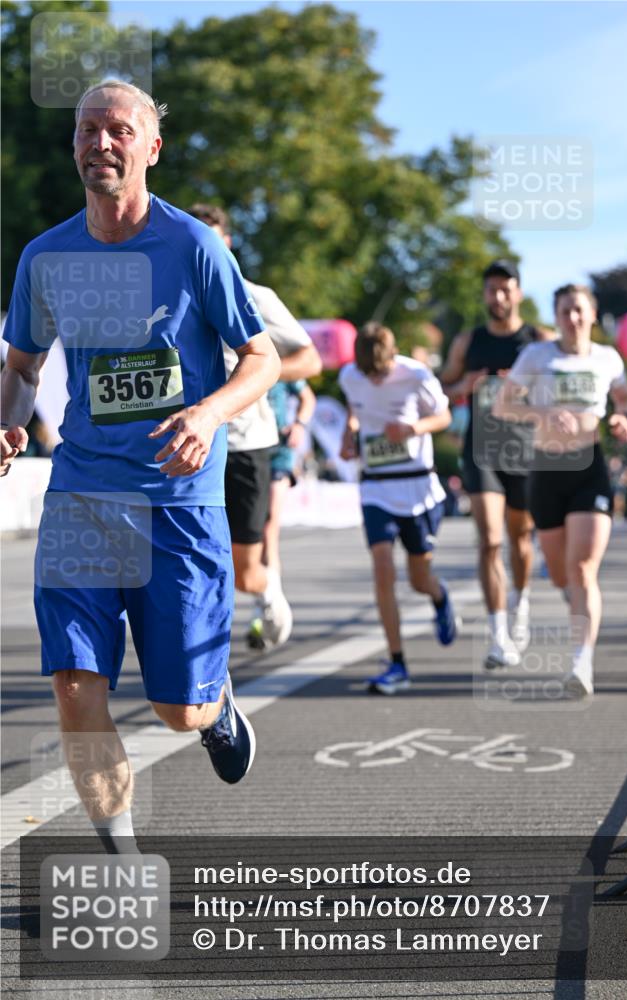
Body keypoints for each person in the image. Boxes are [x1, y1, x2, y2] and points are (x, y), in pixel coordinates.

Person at [0, 80, 281, 852]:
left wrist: (208, 412)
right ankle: (120, 854)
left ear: (151, 147)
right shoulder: (46, 256)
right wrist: (6, 425)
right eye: (88, 130)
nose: (101, 142)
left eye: (119, 129)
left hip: (177, 500)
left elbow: (262, 359)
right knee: (73, 684)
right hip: (83, 495)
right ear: (75, 148)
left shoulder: (192, 246)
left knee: (176, 713)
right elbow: (22, 370)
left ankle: (212, 706)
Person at [186, 204, 322, 650]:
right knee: (194, 560)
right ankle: (205, 666)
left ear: (225, 244)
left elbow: (310, 359)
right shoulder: (172, 295)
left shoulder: (253, 295)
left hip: (247, 442)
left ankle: (267, 589)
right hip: (194, 443)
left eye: (210, 239)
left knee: (245, 570)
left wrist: (254, 373)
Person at [494, 284, 627, 696]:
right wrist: (544, 412)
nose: (571, 318)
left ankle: (581, 664)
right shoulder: (537, 356)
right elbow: (503, 406)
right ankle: (573, 604)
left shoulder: (608, 359)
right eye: (564, 311)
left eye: (578, 310)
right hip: (546, 469)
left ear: (592, 314)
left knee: (583, 568)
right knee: (560, 574)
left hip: (589, 469)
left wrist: (622, 420)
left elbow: (626, 402)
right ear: (555, 317)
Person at [440, 260, 552, 669]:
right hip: (481, 450)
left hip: (526, 450)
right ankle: (497, 633)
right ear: (485, 294)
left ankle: (520, 606)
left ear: (519, 293)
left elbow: (561, 387)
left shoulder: (538, 340)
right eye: (491, 290)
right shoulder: (468, 342)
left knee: (520, 540)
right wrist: (463, 386)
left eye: (506, 289)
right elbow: (441, 387)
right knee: (489, 540)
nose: (498, 297)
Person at [339, 322, 458, 694]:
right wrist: (349, 435)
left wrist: (413, 429)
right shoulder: (350, 375)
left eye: (381, 372)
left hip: (418, 486)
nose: (374, 381)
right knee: (382, 569)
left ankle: (439, 596)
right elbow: (356, 411)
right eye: (366, 373)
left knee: (419, 579)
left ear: (394, 357)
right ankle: (397, 663)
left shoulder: (416, 374)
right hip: (376, 488)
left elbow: (445, 417)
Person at [246, 379, 316, 648]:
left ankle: (263, 609)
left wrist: (299, 424)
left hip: (278, 452)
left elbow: (308, 397)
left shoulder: (280, 355)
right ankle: (266, 596)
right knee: (247, 537)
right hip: (247, 450)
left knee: (268, 529)